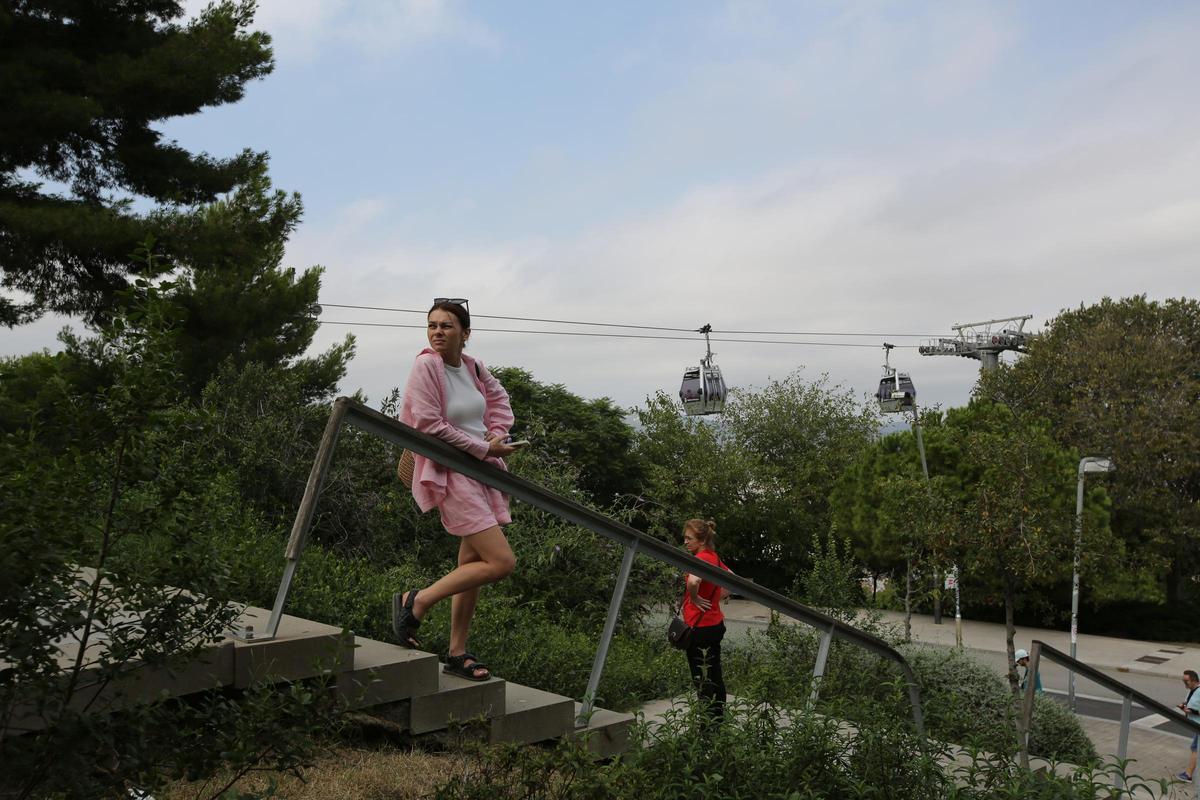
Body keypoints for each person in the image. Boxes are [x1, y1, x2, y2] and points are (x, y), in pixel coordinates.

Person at [392, 298, 522, 682]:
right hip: (452, 474)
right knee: (501, 563)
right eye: (432, 325)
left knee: (472, 567)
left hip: (482, 473)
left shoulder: (472, 366)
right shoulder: (425, 366)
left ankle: (457, 652)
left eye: (446, 326)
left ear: (465, 334)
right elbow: (429, 425)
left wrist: (495, 433)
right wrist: (484, 447)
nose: (437, 332)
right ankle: (418, 600)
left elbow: (498, 400)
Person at [680, 518, 732, 725]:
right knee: (714, 673)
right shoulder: (714, 557)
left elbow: (694, 580)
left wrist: (694, 597)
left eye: (688, 538)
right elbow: (731, 579)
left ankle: (708, 725)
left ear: (701, 541)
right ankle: (718, 720)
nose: (685, 542)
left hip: (699, 628)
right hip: (714, 625)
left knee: (701, 677)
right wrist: (715, 598)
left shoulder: (701, 558)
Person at [1178, 670, 1200, 782]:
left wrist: (1193, 712)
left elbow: (1195, 709)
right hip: (1195, 725)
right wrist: (1184, 706)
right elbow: (1188, 702)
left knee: (1195, 748)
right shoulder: (1192, 690)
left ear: (1194, 681)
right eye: (1183, 681)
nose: (1184, 684)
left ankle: (1188, 774)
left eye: (1186, 681)